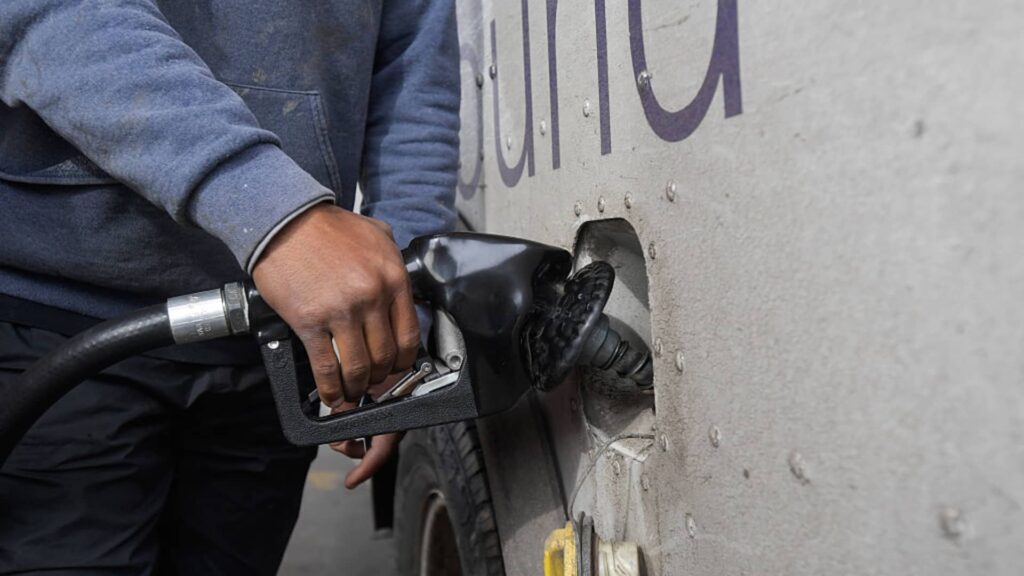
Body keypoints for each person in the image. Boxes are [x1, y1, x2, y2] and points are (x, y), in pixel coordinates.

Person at [0, 0, 459, 573]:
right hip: (64, 323)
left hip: (273, 344)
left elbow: (413, 79)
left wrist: (398, 307)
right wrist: (271, 210)